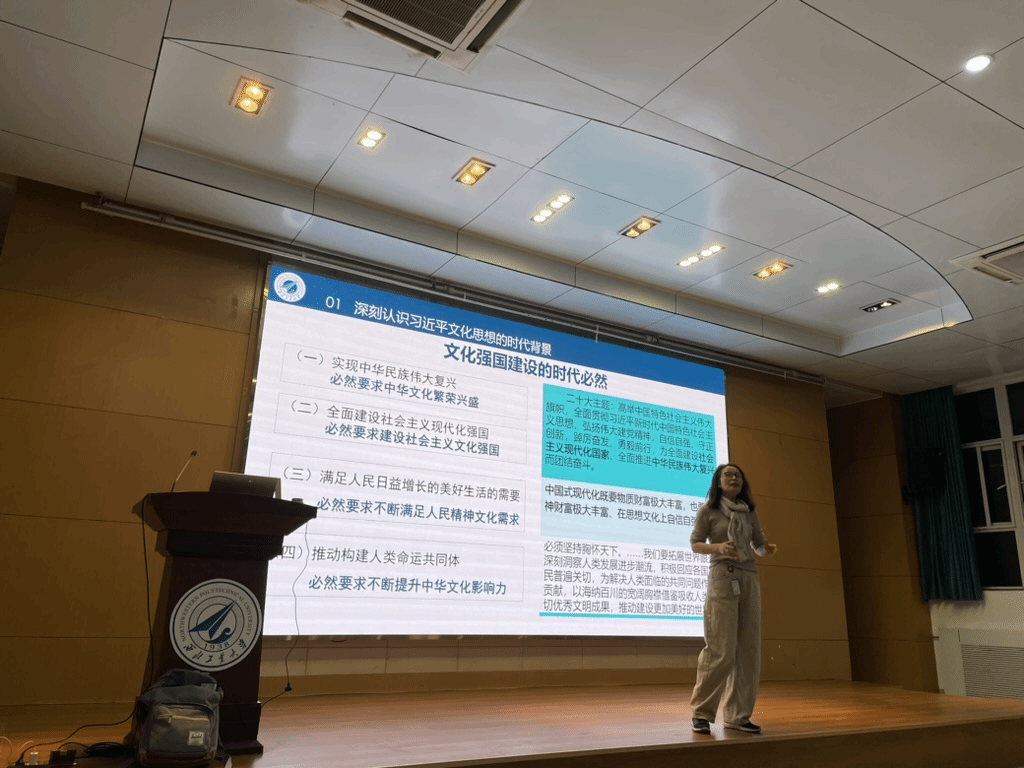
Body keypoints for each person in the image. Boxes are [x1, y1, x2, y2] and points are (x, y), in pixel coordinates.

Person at [689, 463, 777, 735]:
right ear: (718, 481)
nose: (733, 478)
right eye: (728, 474)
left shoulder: (749, 511)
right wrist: (718, 547)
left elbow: (758, 543)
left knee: (748, 651)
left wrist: (766, 549)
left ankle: (738, 716)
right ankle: (702, 713)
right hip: (722, 577)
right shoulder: (709, 510)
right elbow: (695, 543)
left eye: (738, 475)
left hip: (748, 577)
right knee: (721, 648)